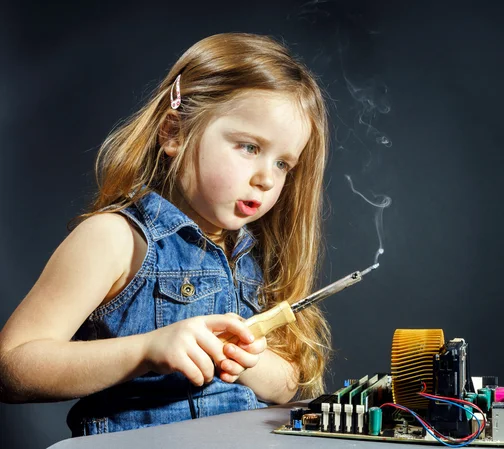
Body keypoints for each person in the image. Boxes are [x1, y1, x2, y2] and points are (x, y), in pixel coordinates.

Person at [0, 33, 331, 436]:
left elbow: (287, 386)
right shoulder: (115, 239)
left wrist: (249, 361)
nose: (265, 179)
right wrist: (146, 350)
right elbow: (12, 367)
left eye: (283, 164)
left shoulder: (254, 257)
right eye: (249, 147)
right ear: (173, 132)